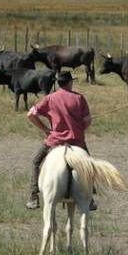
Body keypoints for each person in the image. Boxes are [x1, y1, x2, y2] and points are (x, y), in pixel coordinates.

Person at [25, 71, 96, 210]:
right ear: (70, 82)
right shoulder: (79, 98)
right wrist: (79, 128)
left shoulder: (50, 98)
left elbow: (31, 114)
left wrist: (45, 129)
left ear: (58, 83)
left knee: (36, 162)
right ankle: (91, 198)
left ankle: (33, 197)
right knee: (90, 165)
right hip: (77, 140)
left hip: (55, 140)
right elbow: (88, 121)